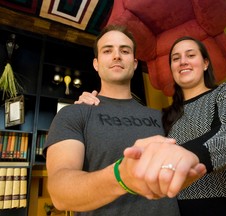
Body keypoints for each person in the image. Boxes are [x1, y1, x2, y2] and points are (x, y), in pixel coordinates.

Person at [76, 36, 226, 216]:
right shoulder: (162, 117)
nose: (183, 62)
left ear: (205, 63)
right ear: (172, 69)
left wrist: (183, 156)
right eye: (176, 58)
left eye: (191, 55)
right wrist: (95, 104)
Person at [43, 25, 206, 216]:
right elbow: (60, 192)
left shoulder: (162, 117)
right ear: (96, 63)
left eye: (125, 50)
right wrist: (122, 177)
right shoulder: (73, 114)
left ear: (135, 63)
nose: (117, 56)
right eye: (107, 50)